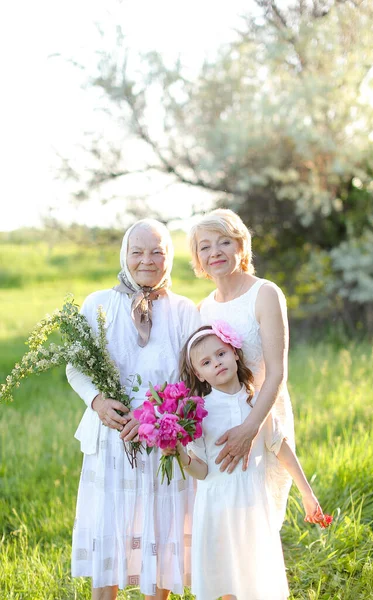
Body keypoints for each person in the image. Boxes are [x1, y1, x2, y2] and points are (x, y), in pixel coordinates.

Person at [66, 219, 200, 600]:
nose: (147, 260)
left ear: (169, 257)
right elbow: (75, 366)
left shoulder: (184, 311)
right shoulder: (98, 304)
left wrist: (156, 420)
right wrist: (97, 400)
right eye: (137, 251)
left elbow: (195, 379)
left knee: (160, 526)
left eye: (158, 251)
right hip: (111, 436)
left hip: (162, 438)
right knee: (110, 525)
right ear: (124, 255)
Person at [162, 323, 328, 600]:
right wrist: (179, 453)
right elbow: (201, 471)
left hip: (252, 503)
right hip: (217, 508)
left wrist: (307, 493)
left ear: (235, 354)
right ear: (198, 374)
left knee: (254, 577)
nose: (216, 363)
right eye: (206, 362)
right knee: (227, 581)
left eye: (221, 354)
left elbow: (280, 447)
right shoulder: (198, 413)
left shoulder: (256, 404)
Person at [189, 208, 294, 525]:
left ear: (241, 246)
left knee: (261, 516)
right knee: (227, 518)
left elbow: (277, 372)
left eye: (224, 242)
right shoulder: (203, 308)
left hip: (263, 416)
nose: (214, 252)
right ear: (198, 258)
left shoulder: (264, 294)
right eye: (204, 246)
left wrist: (250, 429)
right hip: (221, 424)